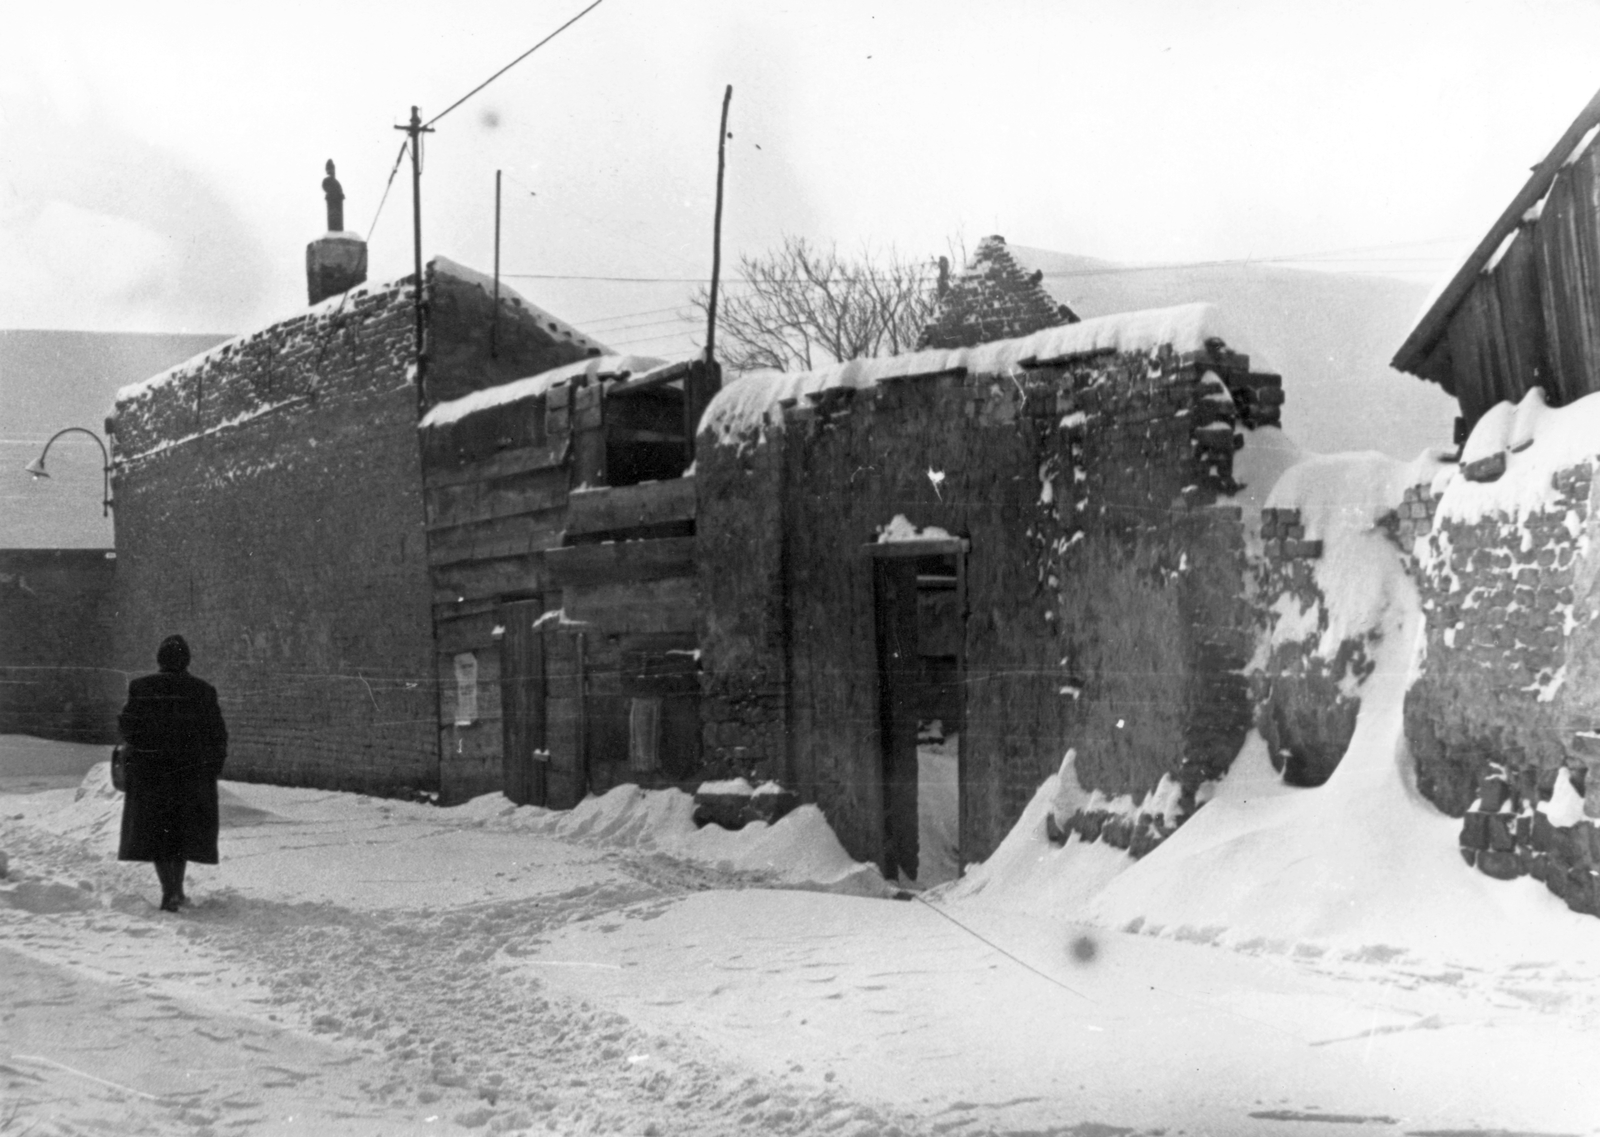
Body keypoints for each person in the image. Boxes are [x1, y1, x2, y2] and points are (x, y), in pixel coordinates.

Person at [117, 635, 228, 912]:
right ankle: (176, 890)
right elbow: (217, 735)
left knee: (158, 836)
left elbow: (128, 727)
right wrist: (211, 769)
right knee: (180, 835)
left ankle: (169, 891)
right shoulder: (202, 691)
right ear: (187, 660)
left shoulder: (141, 688)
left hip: (151, 776)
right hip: (189, 777)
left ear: (159, 659)